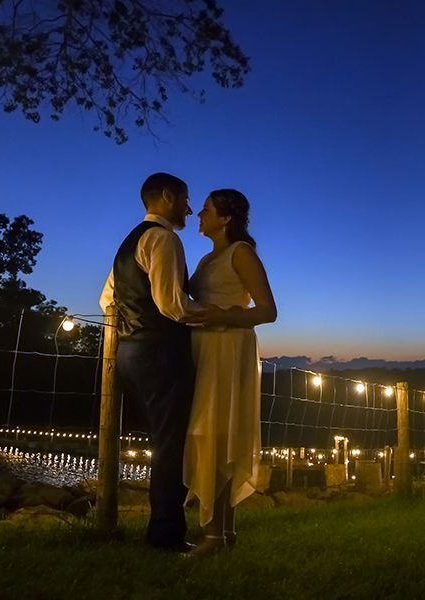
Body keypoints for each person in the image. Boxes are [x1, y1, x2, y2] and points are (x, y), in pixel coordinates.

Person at [99, 172, 197, 551]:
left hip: (128, 353)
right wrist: (219, 313)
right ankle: (166, 535)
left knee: (162, 442)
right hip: (161, 351)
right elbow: (173, 306)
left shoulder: (128, 243)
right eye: (186, 199)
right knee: (171, 445)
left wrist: (131, 324)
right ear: (169, 196)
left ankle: (164, 528)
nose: (189, 208)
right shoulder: (164, 239)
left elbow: (106, 300)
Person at [182, 188, 277, 557]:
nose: (198, 215)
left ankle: (213, 535)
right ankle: (223, 532)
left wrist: (222, 315)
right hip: (205, 348)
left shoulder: (242, 253)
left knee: (215, 432)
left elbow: (268, 311)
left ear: (225, 218)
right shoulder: (207, 260)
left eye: (205, 210)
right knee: (213, 432)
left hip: (228, 349)